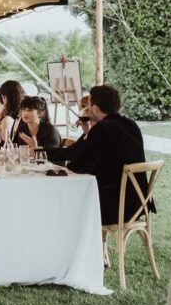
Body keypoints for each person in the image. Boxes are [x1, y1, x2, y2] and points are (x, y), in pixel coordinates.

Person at [45, 85, 153, 225]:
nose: (87, 109)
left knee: (63, 205)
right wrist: (87, 134)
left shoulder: (102, 129)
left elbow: (79, 166)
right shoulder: (131, 125)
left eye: (89, 105)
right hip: (138, 204)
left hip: (115, 207)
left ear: (95, 108)